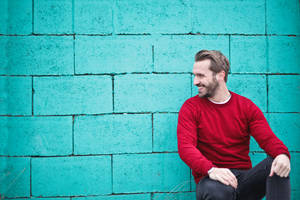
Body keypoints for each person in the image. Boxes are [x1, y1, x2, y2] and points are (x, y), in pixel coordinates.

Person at [177, 50, 291, 200]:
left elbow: (268, 139)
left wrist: (282, 155)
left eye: (201, 75)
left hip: (243, 180)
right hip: (211, 180)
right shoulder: (191, 107)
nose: (195, 81)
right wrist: (211, 169)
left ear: (220, 75)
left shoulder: (246, 107)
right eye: (195, 75)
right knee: (215, 190)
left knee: (277, 164)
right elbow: (186, 147)